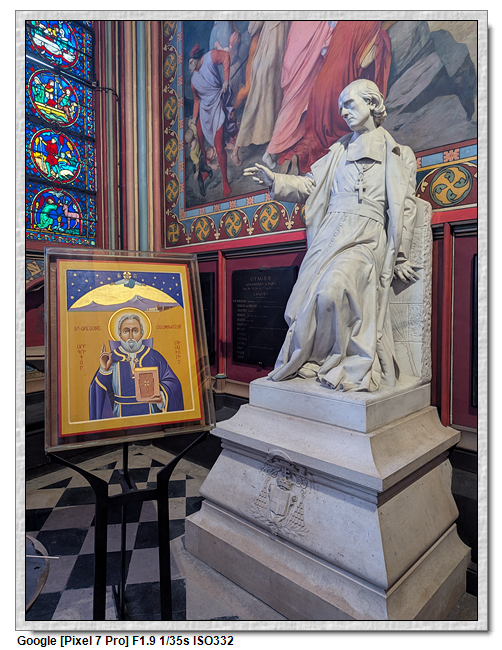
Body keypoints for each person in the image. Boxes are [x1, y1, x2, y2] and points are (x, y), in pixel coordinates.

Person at [244, 79, 420, 392]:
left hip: (365, 236)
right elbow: (309, 185)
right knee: (304, 301)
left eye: (349, 104)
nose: (343, 112)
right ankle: (313, 360)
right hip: (329, 234)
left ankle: (341, 360)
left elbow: (404, 206)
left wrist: (401, 256)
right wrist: (275, 180)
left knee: (332, 289)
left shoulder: (398, 153)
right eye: (341, 108)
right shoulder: (338, 151)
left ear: (372, 103)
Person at [89, 313, 184, 419]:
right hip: (120, 417)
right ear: (120, 335)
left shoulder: (154, 356)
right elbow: (97, 393)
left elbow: (173, 384)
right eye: (126, 331)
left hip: (150, 416)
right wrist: (104, 370)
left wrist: (162, 397)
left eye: (135, 331)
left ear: (142, 333)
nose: (130, 336)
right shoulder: (111, 358)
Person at [188, 44, 238, 198]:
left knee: (219, 146)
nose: (189, 66)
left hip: (216, 105)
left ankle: (225, 181)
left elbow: (226, 56)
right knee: (199, 139)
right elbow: (197, 101)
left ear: (197, 59)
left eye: (191, 62)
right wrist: (194, 118)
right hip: (204, 110)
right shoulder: (193, 81)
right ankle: (206, 167)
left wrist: (226, 80)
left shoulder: (210, 57)